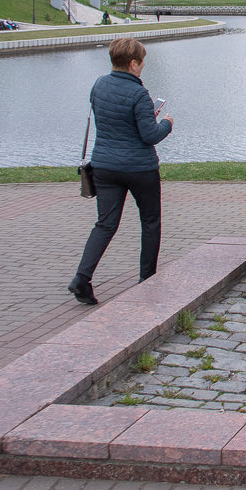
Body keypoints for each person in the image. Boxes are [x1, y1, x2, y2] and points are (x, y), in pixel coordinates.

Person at [68, 38, 173, 305]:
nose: (143, 66)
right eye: (142, 62)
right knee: (150, 222)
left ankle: (82, 277)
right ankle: (147, 279)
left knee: (105, 224)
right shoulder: (139, 93)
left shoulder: (99, 85)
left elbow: (112, 120)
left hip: (104, 166)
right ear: (132, 63)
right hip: (140, 168)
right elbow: (149, 135)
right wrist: (166, 122)